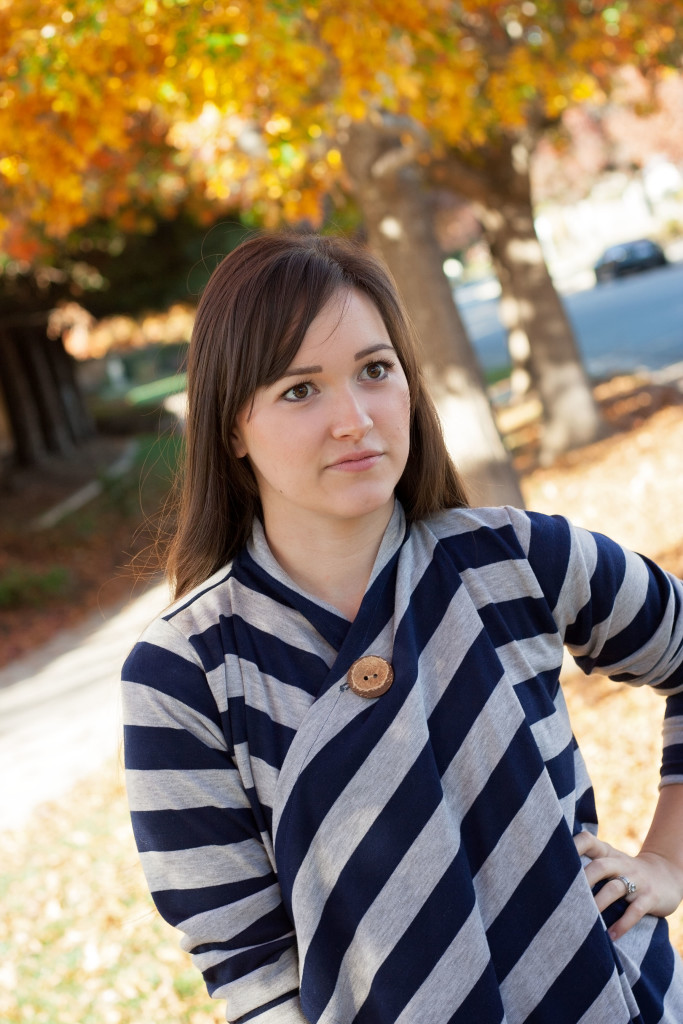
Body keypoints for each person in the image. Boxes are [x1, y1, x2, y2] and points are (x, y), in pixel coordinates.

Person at [121, 232, 683, 1024]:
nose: (354, 419)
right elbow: (251, 971)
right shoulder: (183, 675)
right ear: (230, 428)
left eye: (375, 372)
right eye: (298, 390)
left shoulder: (516, 558)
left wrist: (665, 862)